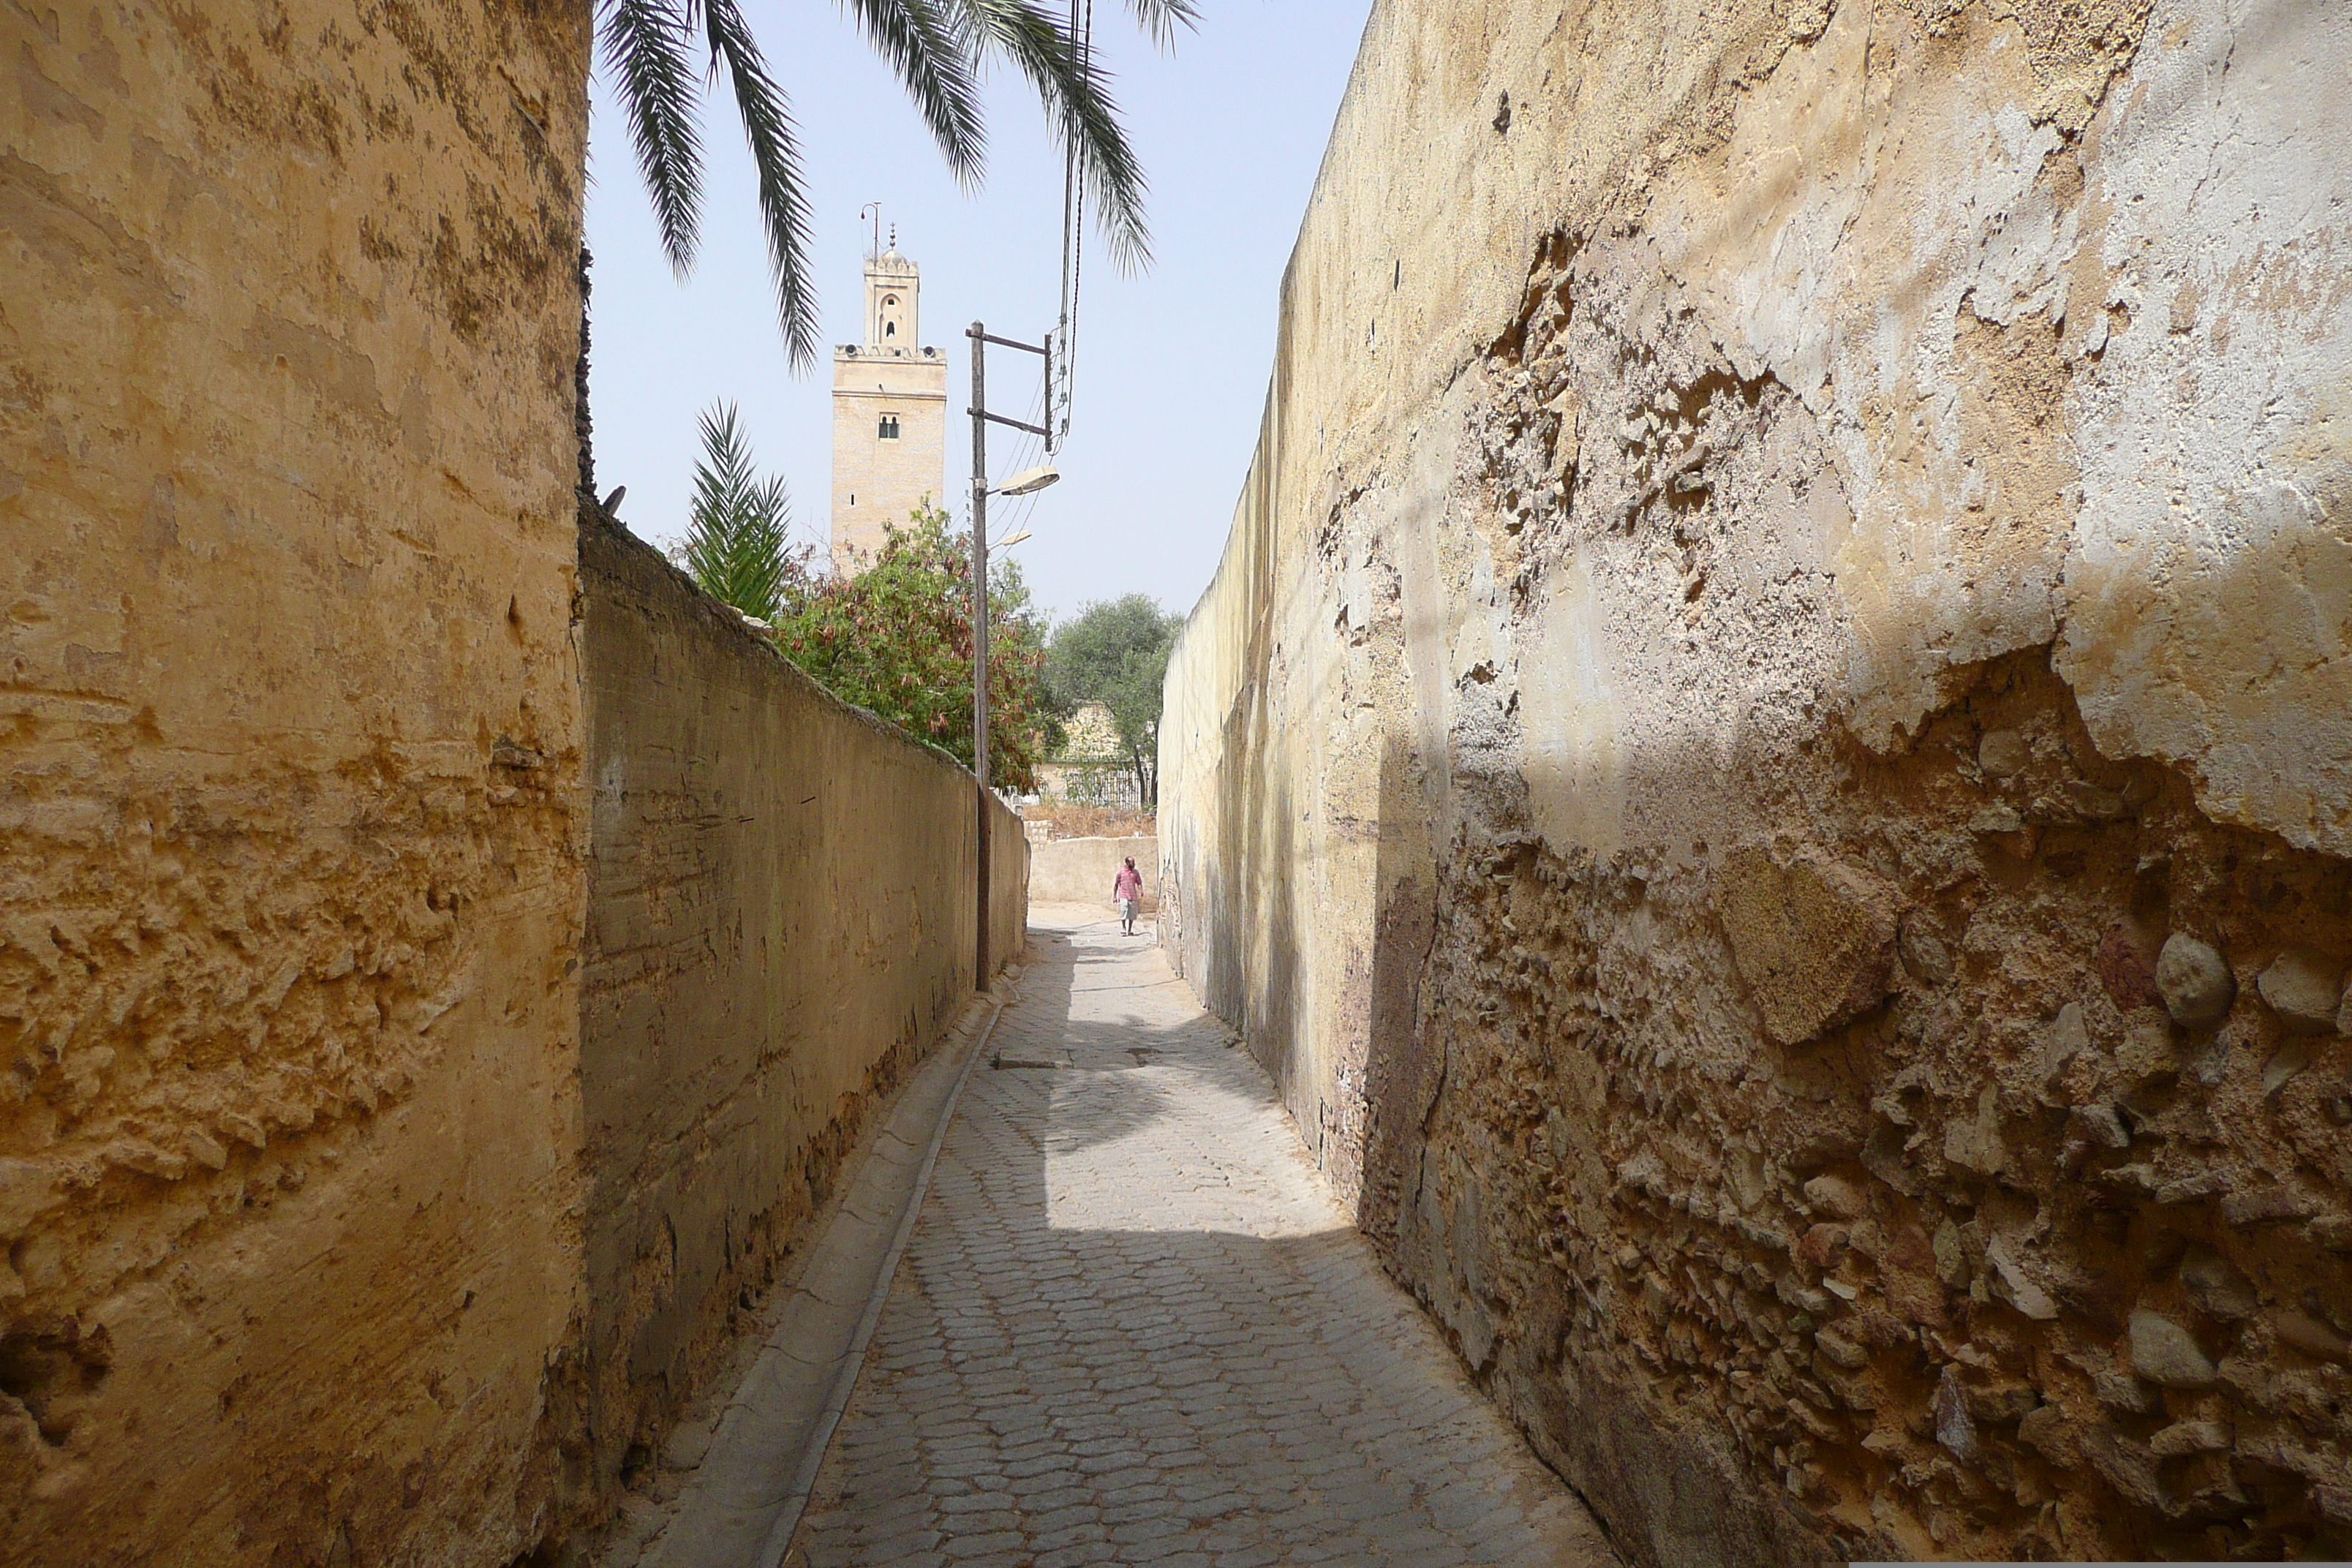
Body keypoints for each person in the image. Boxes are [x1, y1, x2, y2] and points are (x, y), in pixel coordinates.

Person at [1112, 856, 1144, 935]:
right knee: (1124, 911)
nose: (1133, 864)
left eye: (1134, 862)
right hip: (1123, 895)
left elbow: (1139, 882)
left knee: (1132, 914)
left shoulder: (1135, 873)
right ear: (1127, 863)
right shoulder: (1120, 872)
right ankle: (1123, 928)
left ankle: (1129, 929)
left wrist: (1141, 890)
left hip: (1133, 895)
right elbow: (1116, 885)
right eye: (1132, 862)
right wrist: (1114, 896)